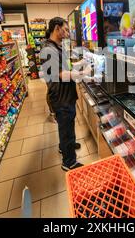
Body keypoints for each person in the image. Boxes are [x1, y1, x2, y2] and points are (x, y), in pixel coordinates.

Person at [41, 17, 93, 171]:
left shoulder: (55, 46)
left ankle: (65, 146)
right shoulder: (48, 50)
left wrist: (80, 63)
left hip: (65, 95)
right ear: (57, 28)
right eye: (65, 29)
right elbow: (61, 74)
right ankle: (69, 162)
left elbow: (66, 66)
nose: (67, 32)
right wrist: (84, 73)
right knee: (66, 126)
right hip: (61, 97)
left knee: (67, 126)